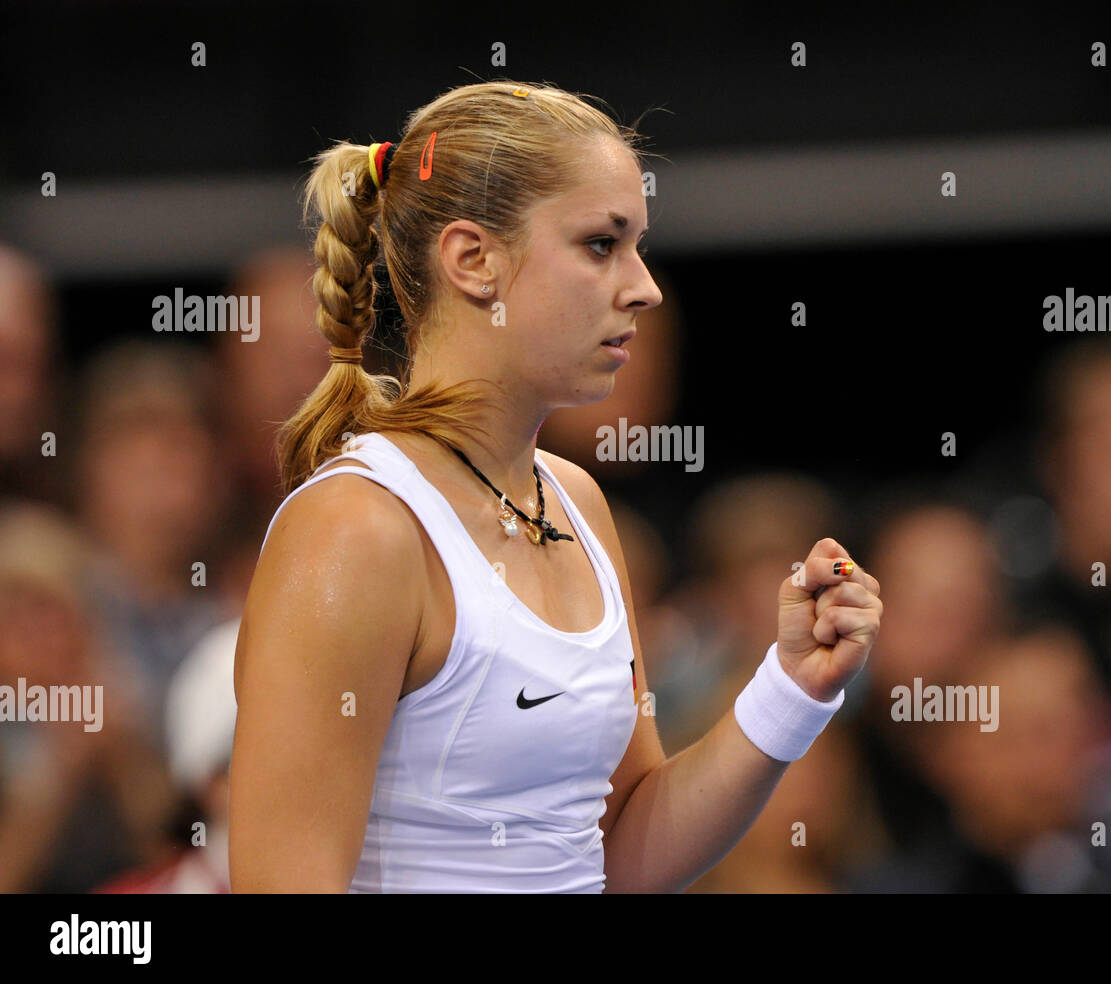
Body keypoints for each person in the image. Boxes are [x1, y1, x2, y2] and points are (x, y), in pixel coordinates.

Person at [227, 80, 882, 893]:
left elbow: (621, 852)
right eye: (602, 245)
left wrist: (790, 691)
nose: (645, 287)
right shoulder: (357, 530)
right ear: (474, 261)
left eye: (637, 245)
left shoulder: (578, 503)